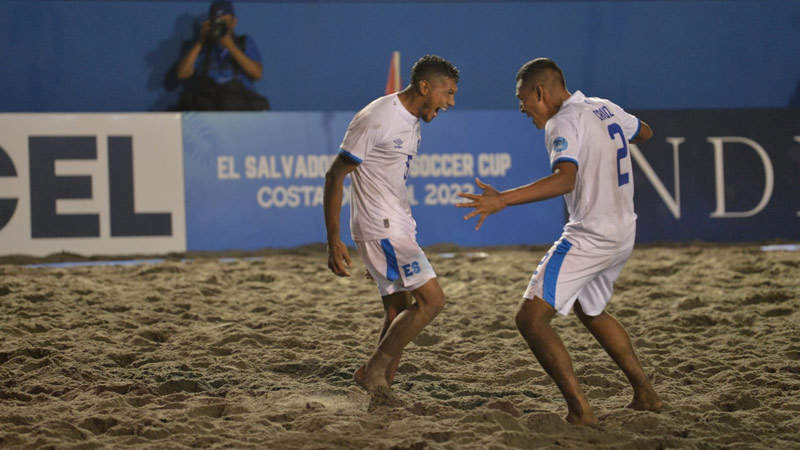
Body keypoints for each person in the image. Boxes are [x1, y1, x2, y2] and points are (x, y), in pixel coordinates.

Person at [457, 58, 662, 425]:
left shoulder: (561, 121)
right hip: (623, 230)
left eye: (524, 102)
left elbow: (565, 180)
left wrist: (502, 199)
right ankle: (646, 394)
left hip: (590, 235)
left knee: (530, 320)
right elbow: (644, 132)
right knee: (591, 310)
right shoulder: (601, 106)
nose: (524, 110)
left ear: (541, 92)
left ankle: (580, 411)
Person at [324, 55, 459, 409]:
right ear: (424, 87)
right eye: (447, 93)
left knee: (396, 310)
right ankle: (373, 371)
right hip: (380, 227)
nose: (451, 102)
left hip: (394, 225)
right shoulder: (377, 118)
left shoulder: (412, 119)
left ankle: (380, 387)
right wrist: (333, 240)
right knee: (433, 301)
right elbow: (334, 176)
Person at [175, 0, 270, 111]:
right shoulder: (202, 46)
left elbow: (257, 74)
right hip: (208, 102)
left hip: (238, 103)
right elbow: (182, 74)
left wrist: (230, 46)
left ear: (234, 22)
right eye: (217, 22)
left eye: (224, 22)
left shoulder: (244, 42)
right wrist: (200, 42)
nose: (220, 26)